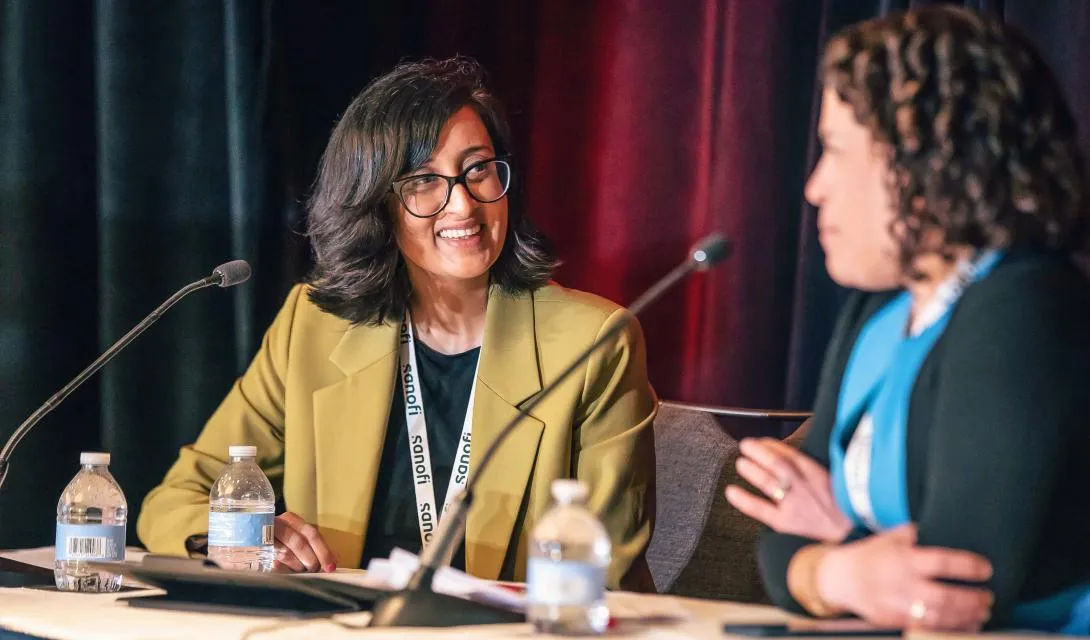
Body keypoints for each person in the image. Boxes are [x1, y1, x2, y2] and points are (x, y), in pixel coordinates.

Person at [137, 57, 658, 591]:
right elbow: (177, 498)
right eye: (424, 180)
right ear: (375, 202)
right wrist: (236, 539)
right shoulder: (313, 325)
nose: (463, 204)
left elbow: (605, 569)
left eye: (478, 169)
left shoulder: (594, 343)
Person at [725, 6, 1090, 633]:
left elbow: (958, 588)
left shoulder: (1024, 306)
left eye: (836, 151)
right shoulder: (879, 309)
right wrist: (841, 572)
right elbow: (779, 543)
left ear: (923, 164)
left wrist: (837, 546)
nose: (814, 187)